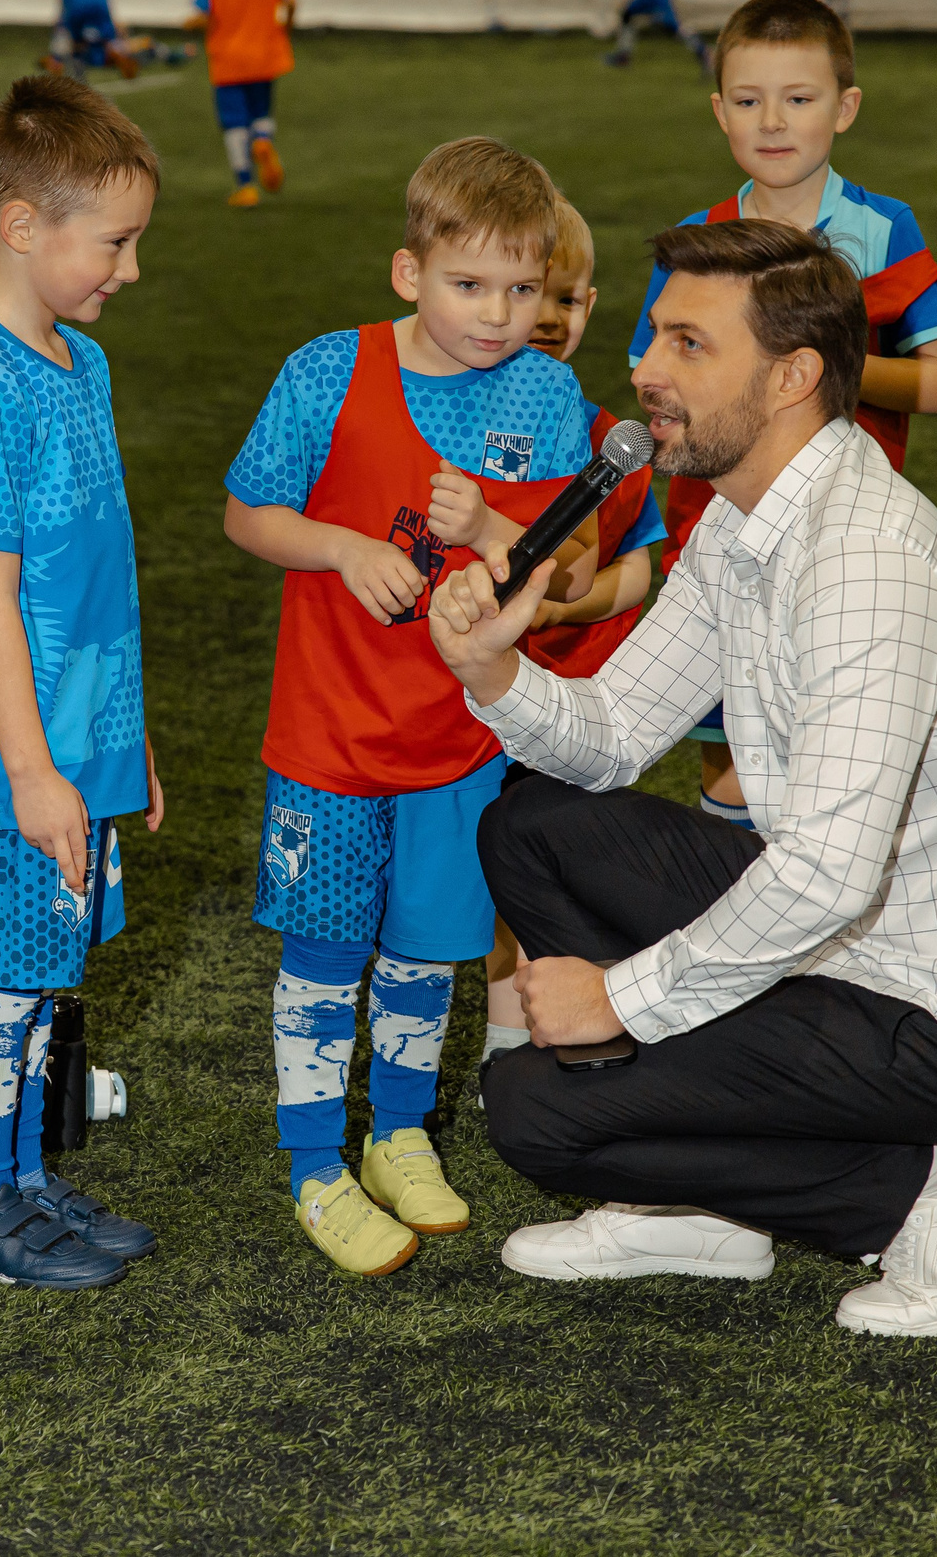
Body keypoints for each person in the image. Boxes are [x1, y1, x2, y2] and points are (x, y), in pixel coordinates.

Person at [429, 217, 937, 1339]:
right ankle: (696, 1206)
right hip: (844, 936)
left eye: (687, 345)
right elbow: (619, 726)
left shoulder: (862, 554)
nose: (642, 372)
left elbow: (827, 873)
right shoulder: (741, 521)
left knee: (536, 1109)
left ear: (791, 377)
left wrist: (620, 1000)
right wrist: (496, 674)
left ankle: (932, 1189)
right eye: (653, 338)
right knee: (532, 824)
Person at [223, 138, 601, 1276]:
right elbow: (247, 515)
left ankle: (395, 1135)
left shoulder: (544, 392)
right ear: (408, 272)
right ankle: (311, 1165)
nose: (496, 316)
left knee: (426, 956)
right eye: (467, 284)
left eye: (523, 290)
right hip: (330, 738)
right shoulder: (326, 372)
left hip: (458, 744)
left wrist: (490, 530)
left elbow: (570, 565)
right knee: (326, 954)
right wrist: (339, 547)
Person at [0, 75, 165, 1290]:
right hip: (18, 759)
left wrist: (128, 746)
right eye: (112, 242)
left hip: (80, 742)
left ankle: (20, 1181)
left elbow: (99, 584)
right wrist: (30, 771)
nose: (128, 268)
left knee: (45, 983)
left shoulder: (80, 365)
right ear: (23, 226)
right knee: (0, 983)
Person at [633, 0, 937, 829]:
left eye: (800, 98)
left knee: (828, 745)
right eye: (748, 100)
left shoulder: (882, 229)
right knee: (727, 745)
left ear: (845, 108)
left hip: (838, 539)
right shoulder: (697, 238)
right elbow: (647, 370)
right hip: (713, 534)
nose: (772, 120)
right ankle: (735, 912)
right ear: (719, 112)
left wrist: (821, 374)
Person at [483, 197, 666, 1069]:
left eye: (566, 298)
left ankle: (558, 1030)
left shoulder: (609, 439)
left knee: (562, 875)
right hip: (479, 701)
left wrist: (562, 610)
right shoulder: (469, 427)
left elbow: (638, 567)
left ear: (592, 308)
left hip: (579, 700)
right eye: (529, 293)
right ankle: (500, 1040)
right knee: (488, 883)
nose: (546, 317)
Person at [184, 0, 295, 210]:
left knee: (234, 124)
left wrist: (189, 24)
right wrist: (288, 24)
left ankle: (246, 186)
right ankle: (262, 139)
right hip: (264, 54)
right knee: (262, 111)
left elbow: (202, 14)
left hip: (228, 60)